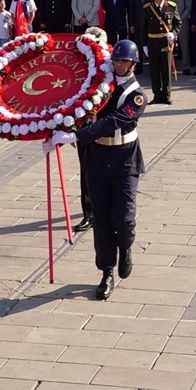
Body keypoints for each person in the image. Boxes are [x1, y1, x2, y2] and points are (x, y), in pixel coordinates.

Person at [44, 40, 147, 301]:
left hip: (124, 160)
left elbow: (115, 120)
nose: (120, 65)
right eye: (117, 61)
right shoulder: (99, 87)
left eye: (125, 61)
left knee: (123, 219)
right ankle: (106, 272)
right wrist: (57, 128)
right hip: (98, 158)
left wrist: (76, 137)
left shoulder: (137, 95)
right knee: (101, 220)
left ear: (133, 64)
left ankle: (126, 248)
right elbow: (75, 105)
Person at [140, 0, 181, 104]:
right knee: (154, 70)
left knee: (166, 69)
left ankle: (166, 94)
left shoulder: (171, 7)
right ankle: (156, 94)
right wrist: (144, 45)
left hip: (165, 42)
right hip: (152, 42)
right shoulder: (147, 8)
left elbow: (178, 23)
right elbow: (143, 27)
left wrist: (173, 33)